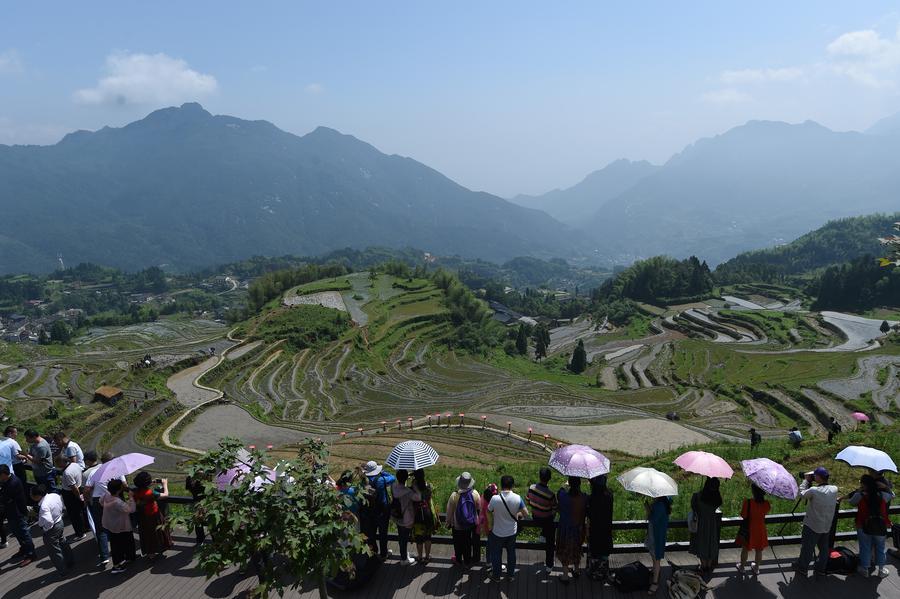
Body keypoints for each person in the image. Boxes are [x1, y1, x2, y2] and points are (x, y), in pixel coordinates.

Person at [844, 474, 892, 578]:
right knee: (880, 547)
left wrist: (858, 491)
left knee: (865, 546)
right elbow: (892, 495)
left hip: (862, 525)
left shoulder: (860, 495)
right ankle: (881, 570)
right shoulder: (882, 494)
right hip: (880, 525)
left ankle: (865, 569)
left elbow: (851, 502)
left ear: (863, 484)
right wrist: (885, 487)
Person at [793, 467, 838, 578]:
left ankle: (802, 568)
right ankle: (820, 569)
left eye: (814, 475)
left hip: (812, 525)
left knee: (807, 548)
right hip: (826, 525)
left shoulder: (814, 491)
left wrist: (806, 481)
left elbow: (801, 494)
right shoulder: (834, 489)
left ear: (818, 477)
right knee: (823, 549)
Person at [84, 451, 124, 566]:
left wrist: (88, 500)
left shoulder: (94, 472)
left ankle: (104, 556)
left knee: (101, 529)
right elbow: (124, 486)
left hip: (98, 501)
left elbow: (86, 490)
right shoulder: (118, 470)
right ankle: (121, 552)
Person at [487, 475, 528, 582]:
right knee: (511, 553)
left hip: (497, 532)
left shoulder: (495, 498)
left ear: (501, 485)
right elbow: (526, 514)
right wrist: (517, 514)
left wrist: (491, 524)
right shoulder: (518, 498)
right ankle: (510, 575)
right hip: (511, 532)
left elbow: (488, 510)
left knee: (496, 554)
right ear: (512, 485)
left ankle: (496, 576)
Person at [31, 484, 72, 576]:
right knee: (63, 542)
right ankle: (70, 561)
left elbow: (48, 521)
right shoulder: (55, 495)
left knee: (54, 551)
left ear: (37, 496)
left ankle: (63, 570)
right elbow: (61, 505)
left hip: (52, 528)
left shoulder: (44, 506)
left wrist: (45, 529)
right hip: (59, 521)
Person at [0, 464, 36, 566]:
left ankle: (31, 554)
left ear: (3, 474)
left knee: (24, 533)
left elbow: (5, 498)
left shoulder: (13, 482)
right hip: (11, 512)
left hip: (18, 512)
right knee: (17, 532)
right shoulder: (6, 481)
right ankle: (24, 549)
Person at [132, 471, 173, 559]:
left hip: (142, 517)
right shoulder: (151, 493)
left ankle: (150, 553)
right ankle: (161, 548)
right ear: (147, 482)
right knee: (157, 533)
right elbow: (165, 495)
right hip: (154, 516)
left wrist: (149, 484)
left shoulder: (135, 491)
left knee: (147, 534)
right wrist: (165, 484)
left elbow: (142, 492)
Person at [556, 476, 588, 583]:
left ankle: (565, 575)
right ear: (579, 484)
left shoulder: (563, 496)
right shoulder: (584, 497)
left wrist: (564, 485)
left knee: (564, 549)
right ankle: (577, 570)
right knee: (577, 549)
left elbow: (559, 492)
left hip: (565, 529)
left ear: (569, 484)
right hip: (578, 528)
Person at [526, 467, 558, 574]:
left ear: (539, 477)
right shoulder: (550, 494)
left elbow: (528, 501)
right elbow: (554, 508)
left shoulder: (531, 488)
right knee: (550, 541)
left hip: (535, 516)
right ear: (549, 479)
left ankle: (542, 535)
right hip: (546, 520)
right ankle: (549, 565)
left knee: (548, 521)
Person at [446, 472, 481, 568]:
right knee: (467, 542)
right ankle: (467, 561)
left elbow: (449, 512)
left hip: (457, 525)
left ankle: (458, 560)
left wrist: (448, 522)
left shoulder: (454, 496)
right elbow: (479, 508)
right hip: (470, 524)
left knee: (457, 543)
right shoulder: (475, 493)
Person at [101, 479, 137, 574]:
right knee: (118, 545)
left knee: (123, 541)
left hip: (110, 523)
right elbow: (131, 509)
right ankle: (116, 566)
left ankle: (130, 557)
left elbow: (101, 502)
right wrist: (131, 498)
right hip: (120, 525)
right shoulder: (117, 502)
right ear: (119, 490)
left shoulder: (106, 495)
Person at [690, 477, 722, 576]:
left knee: (701, 543)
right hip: (712, 524)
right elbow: (718, 504)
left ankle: (703, 566)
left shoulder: (698, 496)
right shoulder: (717, 498)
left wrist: (697, 495)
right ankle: (708, 565)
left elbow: (693, 507)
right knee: (711, 543)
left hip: (701, 523)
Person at [363, 460, 395, 560]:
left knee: (371, 533)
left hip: (369, 510)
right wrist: (383, 472)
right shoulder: (381, 479)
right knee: (383, 533)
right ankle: (384, 554)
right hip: (382, 510)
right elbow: (393, 478)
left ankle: (374, 552)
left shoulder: (364, 481)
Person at [736, 483, 770, 576]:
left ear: (753, 491)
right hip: (760, 530)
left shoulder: (749, 502)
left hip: (749, 529)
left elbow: (743, 515)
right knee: (759, 550)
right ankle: (756, 568)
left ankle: (742, 567)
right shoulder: (766, 504)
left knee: (745, 548)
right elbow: (765, 512)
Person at [390, 469, 420, 565]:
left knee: (401, 538)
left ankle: (404, 554)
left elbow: (399, 485)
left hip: (397, 516)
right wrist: (415, 487)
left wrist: (405, 476)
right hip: (407, 518)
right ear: (406, 478)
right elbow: (418, 497)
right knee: (404, 539)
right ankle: (404, 559)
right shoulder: (408, 491)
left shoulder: (393, 486)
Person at [587, 474, 614, 580]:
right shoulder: (610, 495)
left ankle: (593, 572)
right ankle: (604, 572)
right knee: (604, 552)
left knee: (594, 551)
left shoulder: (592, 498)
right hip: (606, 529)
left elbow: (589, 514)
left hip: (595, 529)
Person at [646, 495, 673, 595]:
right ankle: (654, 571)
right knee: (654, 556)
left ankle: (655, 582)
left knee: (656, 558)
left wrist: (648, 509)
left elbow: (653, 519)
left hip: (656, 536)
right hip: (658, 534)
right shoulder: (664, 503)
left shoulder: (659, 505)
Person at [58, 456, 87, 541]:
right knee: (82, 510)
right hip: (79, 488)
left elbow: (73, 487)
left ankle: (80, 533)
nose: (57, 465)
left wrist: (78, 497)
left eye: (58, 463)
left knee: (74, 515)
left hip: (71, 494)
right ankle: (86, 527)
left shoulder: (67, 473)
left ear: (62, 462)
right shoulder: (75, 465)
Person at [411, 468, 436, 564]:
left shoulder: (413, 487)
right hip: (427, 513)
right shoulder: (428, 486)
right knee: (428, 536)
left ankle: (420, 557)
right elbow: (429, 497)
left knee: (419, 537)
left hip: (417, 514)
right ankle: (427, 557)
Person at [476, 482, 498, 565]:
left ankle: (488, 561)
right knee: (495, 545)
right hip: (495, 526)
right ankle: (493, 562)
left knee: (489, 543)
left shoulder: (484, 501)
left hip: (486, 525)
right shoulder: (494, 503)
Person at [185, 471, 209, 546]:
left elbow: (188, 488)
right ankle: (215, 541)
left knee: (198, 523)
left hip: (196, 502)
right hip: (207, 502)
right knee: (211, 522)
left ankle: (200, 540)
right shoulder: (204, 476)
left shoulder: (189, 478)